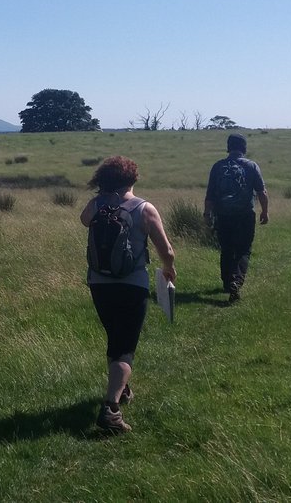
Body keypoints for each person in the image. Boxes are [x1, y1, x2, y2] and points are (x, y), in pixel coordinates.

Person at [79, 156, 177, 433]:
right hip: (132, 285)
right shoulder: (144, 209)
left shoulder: (96, 206)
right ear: (133, 179)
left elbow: (84, 220)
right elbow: (166, 250)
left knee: (114, 338)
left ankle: (122, 390)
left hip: (98, 284)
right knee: (125, 349)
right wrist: (169, 269)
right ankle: (111, 410)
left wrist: (103, 198)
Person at [204, 133, 269, 304]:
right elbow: (262, 192)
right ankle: (236, 282)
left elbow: (210, 194)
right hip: (245, 215)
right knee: (243, 250)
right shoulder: (251, 166)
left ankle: (227, 283)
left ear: (228, 147)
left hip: (223, 215)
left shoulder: (218, 166)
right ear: (244, 147)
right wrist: (265, 211)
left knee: (226, 249)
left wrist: (207, 214)